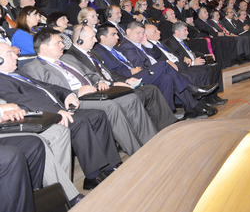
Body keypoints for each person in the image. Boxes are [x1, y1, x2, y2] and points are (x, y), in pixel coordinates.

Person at [0, 41, 122, 190]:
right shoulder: (2, 80)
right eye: (9, 54)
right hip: (43, 115)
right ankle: (92, 176)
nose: (16, 57)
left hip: (58, 107)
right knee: (80, 122)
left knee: (98, 115)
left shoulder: (17, 74)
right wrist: (56, 112)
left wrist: (68, 94)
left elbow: (48, 87)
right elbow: (23, 101)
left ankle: (110, 164)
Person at [19, 27, 157, 156]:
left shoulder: (68, 58)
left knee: (130, 98)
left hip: (94, 92)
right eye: (58, 43)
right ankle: (138, 152)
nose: (63, 46)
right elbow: (46, 93)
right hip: (75, 100)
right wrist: (76, 92)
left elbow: (91, 73)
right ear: (44, 47)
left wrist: (100, 82)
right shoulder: (32, 68)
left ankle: (152, 142)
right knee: (110, 106)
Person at [62, 25, 176, 130]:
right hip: (103, 89)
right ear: (80, 39)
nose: (95, 40)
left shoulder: (92, 53)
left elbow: (109, 73)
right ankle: (142, 131)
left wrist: (125, 80)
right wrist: (113, 84)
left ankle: (165, 126)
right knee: (138, 95)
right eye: (92, 37)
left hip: (113, 83)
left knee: (151, 89)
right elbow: (89, 78)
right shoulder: (72, 56)